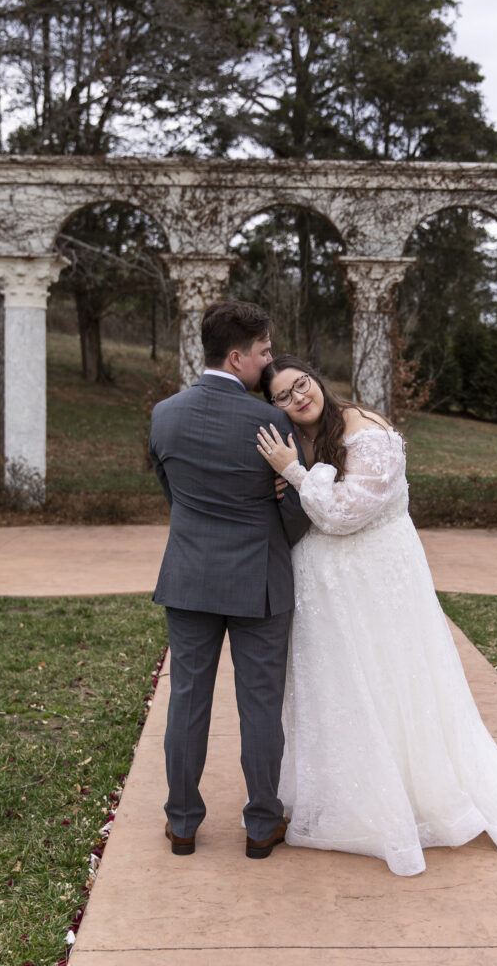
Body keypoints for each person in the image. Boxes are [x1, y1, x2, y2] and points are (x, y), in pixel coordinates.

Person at [256, 354, 497, 877]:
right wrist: (290, 477)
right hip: (332, 592)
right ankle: (344, 793)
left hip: (377, 583)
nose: (298, 397)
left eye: (302, 385)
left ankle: (409, 795)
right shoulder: (308, 436)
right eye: (283, 396)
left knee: (391, 682)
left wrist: (294, 474)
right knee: (341, 687)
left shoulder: (367, 429)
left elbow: (345, 513)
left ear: (318, 381)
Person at [149, 303, 310, 860]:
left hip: (190, 576)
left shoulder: (163, 414)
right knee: (261, 705)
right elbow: (296, 512)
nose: (268, 364)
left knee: (187, 701)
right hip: (259, 581)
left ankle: (183, 823)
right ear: (237, 356)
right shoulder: (271, 421)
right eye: (264, 352)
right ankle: (262, 824)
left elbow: (173, 492)